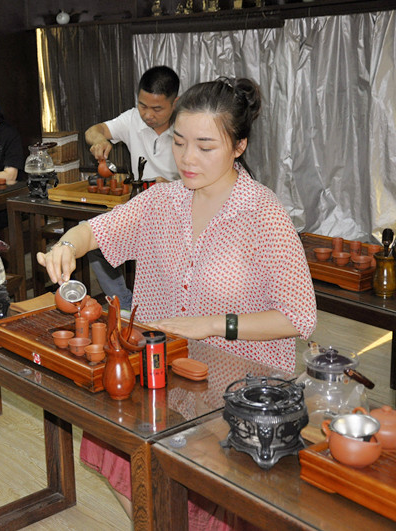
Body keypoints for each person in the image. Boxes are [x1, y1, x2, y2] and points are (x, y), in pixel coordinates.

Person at [38, 77, 317, 527]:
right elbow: (96, 231)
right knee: (135, 471)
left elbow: (298, 316)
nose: (187, 158)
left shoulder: (263, 216)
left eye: (205, 146)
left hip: (232, 392)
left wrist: (209, 324)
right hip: (161, 377)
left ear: (239, 146)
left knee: (207, 504)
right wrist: (66, 247)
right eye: (179, 142)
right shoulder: (162, 201)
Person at [85, 66, 181, 315]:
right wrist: (99, 141)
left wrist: (172, 187)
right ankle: (124, 303)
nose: (148, 115)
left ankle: (166, 309)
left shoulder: (187, 126)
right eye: (142, 105)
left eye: (157, 109)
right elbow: (93, 131)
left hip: (180, 212)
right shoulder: (132, 119)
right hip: (141, 208)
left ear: (175, 103)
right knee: (97, 244)